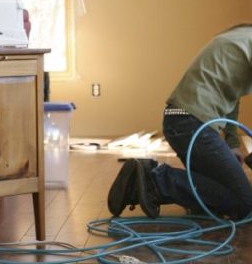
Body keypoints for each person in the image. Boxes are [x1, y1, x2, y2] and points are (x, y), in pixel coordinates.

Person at [107, 24, 252, 220]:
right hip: (193, 125)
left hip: (182, 121)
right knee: (244, 203)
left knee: (217, 193)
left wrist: (232, 143)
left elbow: (232, 96)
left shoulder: (242, 34)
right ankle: (156, 180)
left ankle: (141, 185)